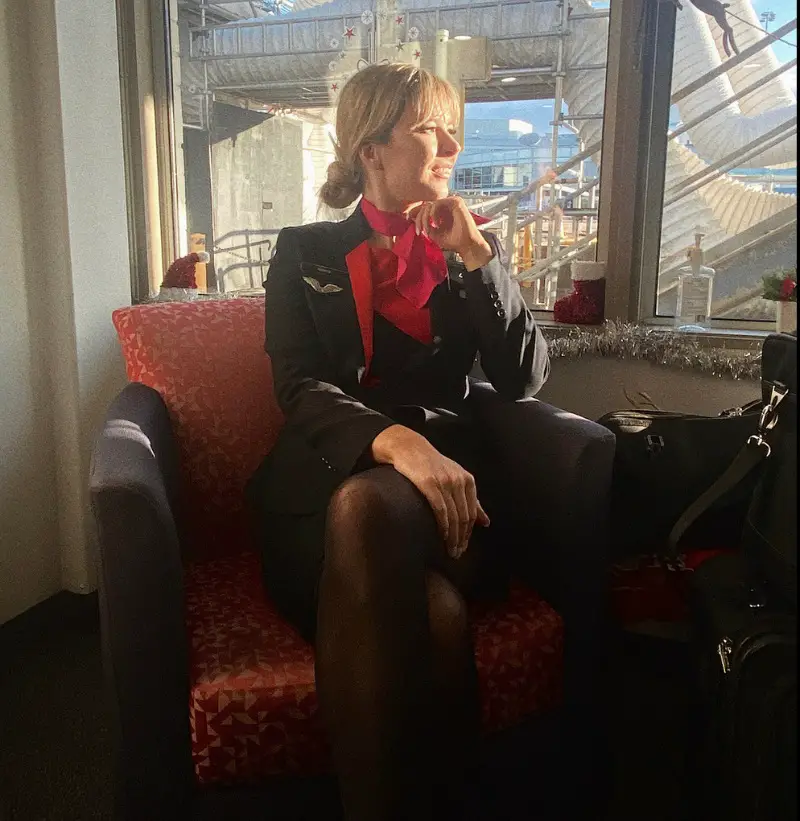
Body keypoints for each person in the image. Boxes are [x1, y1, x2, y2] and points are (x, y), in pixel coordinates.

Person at [247, 63, 609, 821]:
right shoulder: (303, 250)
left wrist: (480, 256)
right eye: (426, 127)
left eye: (453, 127)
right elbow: (300, 385)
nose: (449, 143)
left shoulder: (467, 247)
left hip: (446, 509)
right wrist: (394, 443)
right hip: (323, 500)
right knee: (434, 614)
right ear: (371, 148)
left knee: (373, 513)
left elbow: (522, 380)